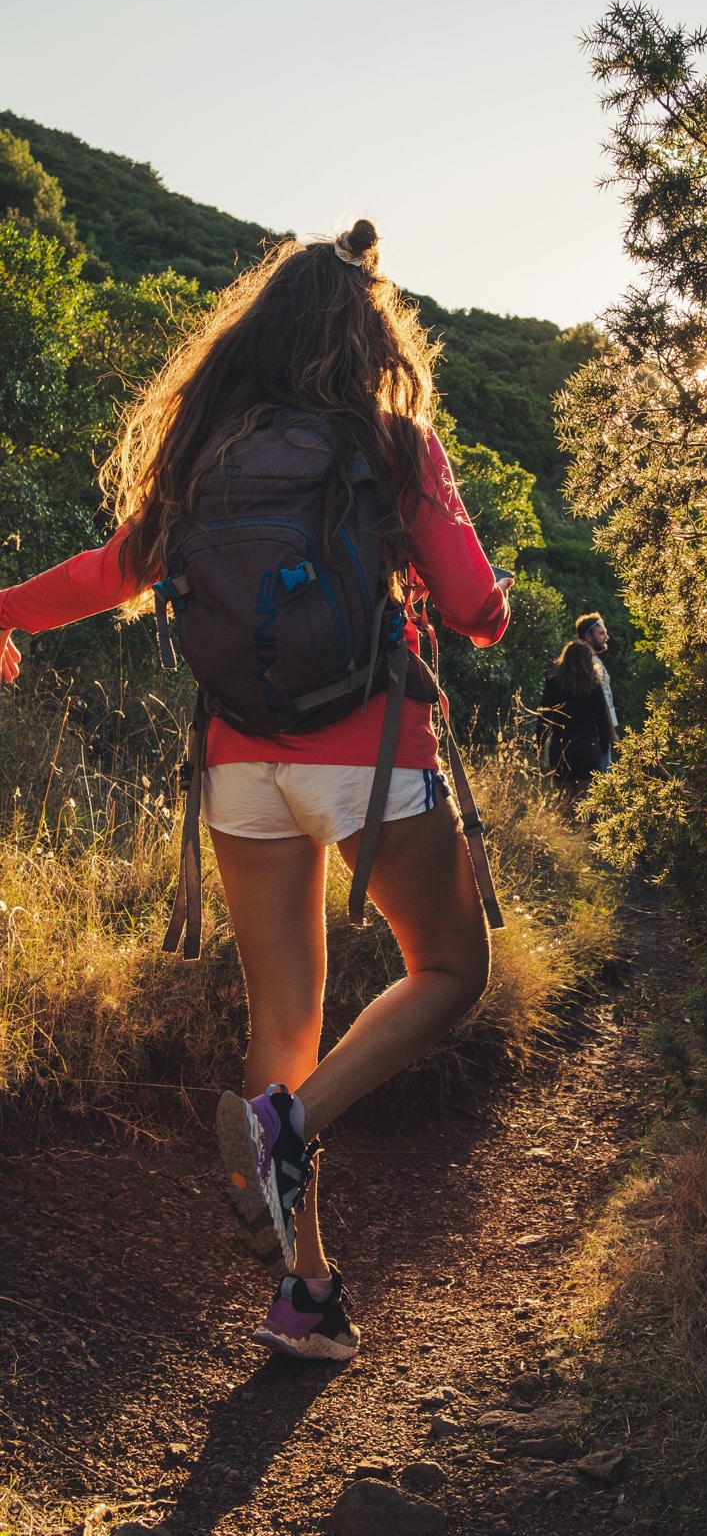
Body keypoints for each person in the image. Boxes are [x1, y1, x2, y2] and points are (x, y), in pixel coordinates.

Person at [0, 219, 512, 1363]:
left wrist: (4, 612)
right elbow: (477, 611)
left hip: (239, 767)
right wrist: (492, 591)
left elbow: (110, 572)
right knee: (451, 970)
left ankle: (304, 1294)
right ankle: (294, 1127)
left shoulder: (206, 451)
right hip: (369, 755)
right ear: (368, 337)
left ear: (255, 334)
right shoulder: (391, 442)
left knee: (283, 1017)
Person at [536, 637, 615, 789]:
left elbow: (544, 716)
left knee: (564, 797)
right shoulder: (594, 684)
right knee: (584, 797)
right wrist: (604, 746)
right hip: (588, 747)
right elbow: (602, 718)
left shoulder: (554, 683)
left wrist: (539, 745)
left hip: (561, 747)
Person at [576, 612, 617, 768]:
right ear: (588, 636)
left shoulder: (578, 661)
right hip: (598, 732)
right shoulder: (592, 664)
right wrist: (612, 734)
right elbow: (602, 702)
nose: (606, 637)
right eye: (601, 633)